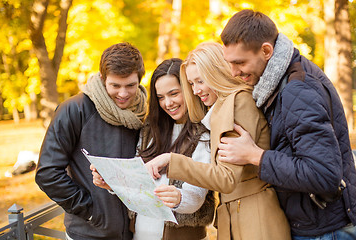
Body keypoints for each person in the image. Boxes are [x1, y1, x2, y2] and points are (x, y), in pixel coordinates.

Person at [217, 9, 356, 239]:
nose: (233, 72)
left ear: (266, 51)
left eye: (240, 62)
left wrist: (256, 156)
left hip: (325, 231)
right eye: (229, 63)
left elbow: (323, 175)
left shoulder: (297, 89)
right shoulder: (280, 81)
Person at [146, 42, 290, 239]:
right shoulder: (222, 107)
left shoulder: (239, 102)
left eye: (200, 81)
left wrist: (172, 160)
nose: (196, 90)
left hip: (255, 216)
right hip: (235, 214)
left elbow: (226, 178)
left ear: (216, 73)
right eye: (191, 84)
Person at [91, 58, 215, 240]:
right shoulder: (149, 130)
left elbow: (197, 195)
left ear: (189, 89)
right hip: (140, 234)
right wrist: (112, 184)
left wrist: (179, 198)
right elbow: (137, 182)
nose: (168, 103)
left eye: (174, 94)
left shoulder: (204, 134)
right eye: (161, 97)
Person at [35, 42, 147, 240]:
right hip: (88, 233)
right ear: (103, 79)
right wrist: (91, 211)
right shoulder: (73, 109)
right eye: (115, 86)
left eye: (130, 85)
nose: (123, 94)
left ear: (139, 79)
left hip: (135, 232)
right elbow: (48, 173)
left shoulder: (144, 112)